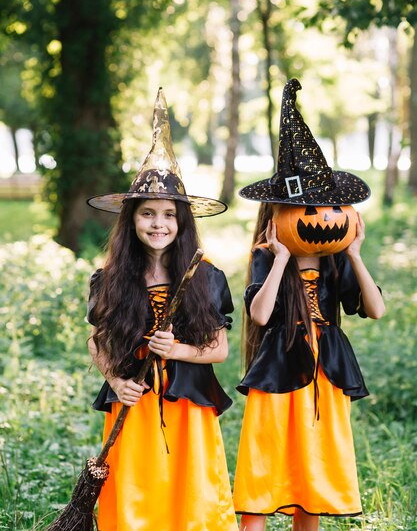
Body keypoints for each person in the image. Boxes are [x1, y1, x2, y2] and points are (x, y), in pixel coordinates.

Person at [233, 79, 385, 531]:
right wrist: (281, 257)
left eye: (326, 206)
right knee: (264, 464)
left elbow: (375, 309)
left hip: (327, 371)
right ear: (279, 213)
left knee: (313, 467)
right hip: (278, 366)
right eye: (304, 208)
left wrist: (355, 253)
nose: (319, 217)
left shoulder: (339, 261)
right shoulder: (267, 257)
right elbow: (259, 315)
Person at [86, 88, 239, 531]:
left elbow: (219, 349)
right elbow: (97, 341)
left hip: (188, 405)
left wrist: (178, 351)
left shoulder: (205, 276)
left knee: (189, 495)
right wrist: (115, 379)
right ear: (132, 220)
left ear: (182, 222)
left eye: (169, 215)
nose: (159, 224)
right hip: (133, 401)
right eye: (148, 214)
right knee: (138, 494)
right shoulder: (109, 278)